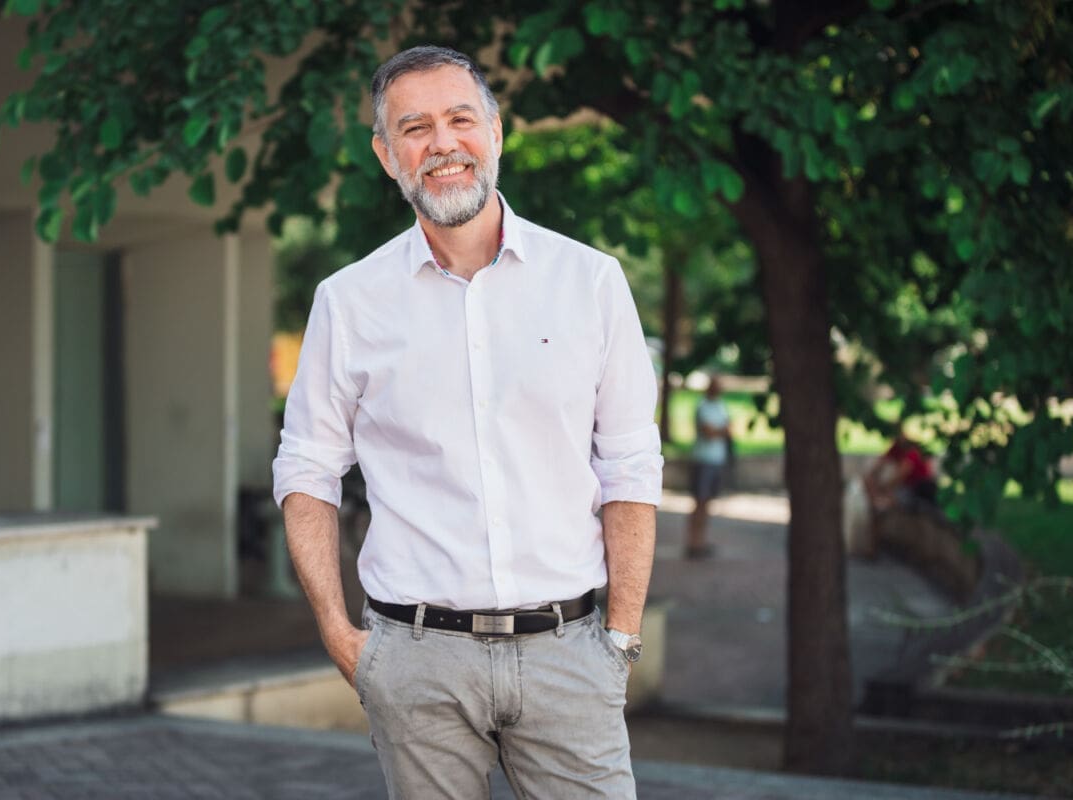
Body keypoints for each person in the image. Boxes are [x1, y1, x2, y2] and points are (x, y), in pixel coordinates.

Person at [272, 46, 662, 799]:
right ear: (387, 156)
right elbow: (306, 469)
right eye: (414, 128)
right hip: (416, 660)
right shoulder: (349, 302)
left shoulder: (589, 282)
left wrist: (620, 635)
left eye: (460, 119)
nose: (442, 143)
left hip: (570, 653)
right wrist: (338, 632)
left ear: (496, 132)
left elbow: (630, 465)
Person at [685, 373, 731, 559]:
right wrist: (721, 431)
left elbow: (727, 429)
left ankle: (701, 542)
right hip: (703, 460)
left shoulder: (720, 406)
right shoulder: (703, 406)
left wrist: (719, 431)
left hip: (716, 460)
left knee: (707, 504)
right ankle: (693, 542)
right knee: (699, 502)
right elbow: (710, 432)